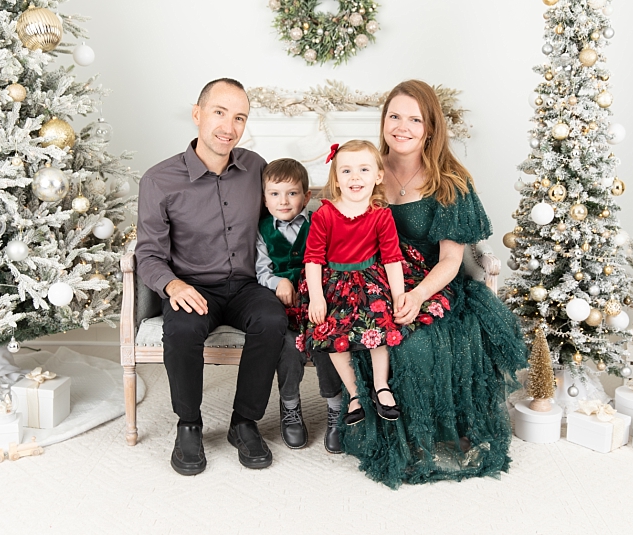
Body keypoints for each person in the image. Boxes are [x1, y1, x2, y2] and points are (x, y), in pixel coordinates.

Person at [337, 79, 527, 488]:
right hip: (375, 281)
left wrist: (419, 295)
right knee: (368, 331)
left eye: (414, 119)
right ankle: (376, 422)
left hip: (434, 285)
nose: (402, 127)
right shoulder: (365, 169)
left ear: (430, 128)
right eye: (394, 116)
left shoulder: (449, 179)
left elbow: (451, 259)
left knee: (419, 341)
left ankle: (435, 432)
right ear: (384, 120)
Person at [136, 78, 285, 475]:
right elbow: (148, 253)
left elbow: (282, 220)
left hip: (248, 286)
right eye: (220, 112)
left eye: (239, 117)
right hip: (193, 287)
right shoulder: (158, 180)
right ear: (197, 114)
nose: (229, 126)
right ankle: (189, 425)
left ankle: (243, 422)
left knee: (272, 319)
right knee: (182, 330)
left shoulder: (256, 166)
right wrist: (172, 285)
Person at [298, 140, 445, 429]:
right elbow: (313, 259)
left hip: (370, 277)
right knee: (330, 330)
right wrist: (317, 297)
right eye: (347, 171)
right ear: (337, 179)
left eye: (364, 170)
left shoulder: (380, 214)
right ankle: (354, 394)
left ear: (378, 176)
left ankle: (381, 386)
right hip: (335, 283)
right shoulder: (325, 214)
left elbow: (391, 258)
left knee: (382, 322)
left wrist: (399, 294)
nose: (355, 177)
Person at [254, 158, 346, 452]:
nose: (283, 201)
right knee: (289, 347)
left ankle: (336, 408)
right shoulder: (261, 230)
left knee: (326, 345)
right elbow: (261, 271)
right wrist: (277, 283)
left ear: (307, 197)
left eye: (292, 193)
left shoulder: (319, 221)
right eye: (275, 194)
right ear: (264, 197)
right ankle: (290, 408)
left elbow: (331, 261)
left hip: (317, 303)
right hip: (283, 306)